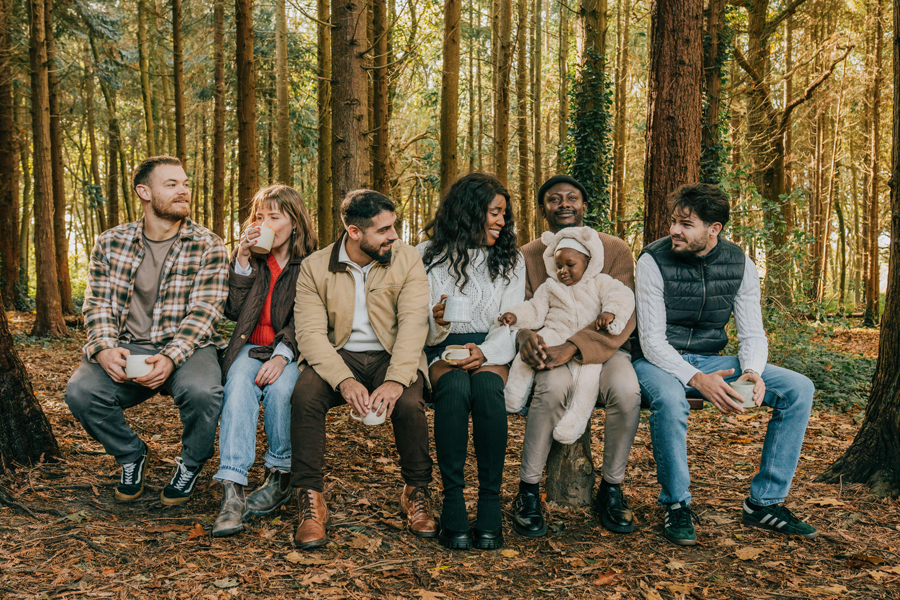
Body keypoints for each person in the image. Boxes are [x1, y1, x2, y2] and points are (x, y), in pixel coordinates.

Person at [633, 183, 817, 546]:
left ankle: (764, 502)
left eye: (686, 224)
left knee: (799, 388)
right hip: (656, 362)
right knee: (670, 401)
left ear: (713, 229)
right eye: (674, 221)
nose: (674, 230)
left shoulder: (740, 263)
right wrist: (697, 378)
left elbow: (752, 333)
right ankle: (676, 505)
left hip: (711, 358)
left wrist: (752, 371)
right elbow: (651, 341)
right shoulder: (653, 260)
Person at [65, 156, 228, 506]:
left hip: (188, 347)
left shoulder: (208, 244)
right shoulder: (111, 242)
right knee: (81, 391)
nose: (184, 190)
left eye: (185, 183)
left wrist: (171, 356)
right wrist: (104, 348)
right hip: (126, 345)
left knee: (203, 392)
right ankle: (131, 455)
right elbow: (98, 305)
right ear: (144, 192)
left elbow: (206, 311)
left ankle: (190, 463)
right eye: (171, 184)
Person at [290, 189, 436, 549]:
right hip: (339, 354)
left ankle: (416, 491)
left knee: (408, 404)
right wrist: (343, 380)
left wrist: (397, 380)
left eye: (394, 227)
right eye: (384, 230)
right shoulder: (315, 266)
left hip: (392, 353)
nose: (393, 236)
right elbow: (309, 333)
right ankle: (311, 500)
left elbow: (414, 324)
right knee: (304, 396)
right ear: (354, 232)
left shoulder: (407, 259)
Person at [512, 175, 641, 537]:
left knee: (627, 392)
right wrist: (524, 336)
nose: (564, 204)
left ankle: (612, 488)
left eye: (573, 197)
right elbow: (522, 307)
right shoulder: (527, 254)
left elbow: (624, 309)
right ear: (543, 209)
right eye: (555, 199)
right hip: (549, 346)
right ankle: (528, 490)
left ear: (585, 205)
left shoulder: (614, 248)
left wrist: (574, 346)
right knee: (550, 390)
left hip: (607, 347)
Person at [417, 173, 525, 550]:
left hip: (492, 345)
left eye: (503, 214)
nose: (501, 221)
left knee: (487, 390)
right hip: (442, 346)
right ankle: (454, 500)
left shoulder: (511, 258)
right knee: (454, 388)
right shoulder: (427, 254)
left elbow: (513, 318)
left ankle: (490, 501)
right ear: (471, 212)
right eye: (494, 212)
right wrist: (439, 320)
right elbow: (419, 323)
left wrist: (487, 353)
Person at [211, 185, 318, 537]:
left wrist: (282, 355)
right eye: (259, 217)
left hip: (290, 350)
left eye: (274, 217)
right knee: (238, 388)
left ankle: (279, 475)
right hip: (249, 346)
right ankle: (233, 488)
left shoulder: (311, 264)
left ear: (295, 223)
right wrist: (240, 259)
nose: (265, 223)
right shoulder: (253, 259)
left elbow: (309, 318)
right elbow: (232, 309)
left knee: (281, 389)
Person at [502, 226, 635, 445]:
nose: (563, 270)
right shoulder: (551, 286)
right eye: (559, 266)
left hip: (587, 339)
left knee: (587, 380)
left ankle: (573, 422)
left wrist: (610, 312)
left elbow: (622, 295)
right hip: (555, 332)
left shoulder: (599, 282)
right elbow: (535, 309)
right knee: (529, 356)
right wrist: (514, 316)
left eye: (570, 265)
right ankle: (513, 396)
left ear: (588, 261)